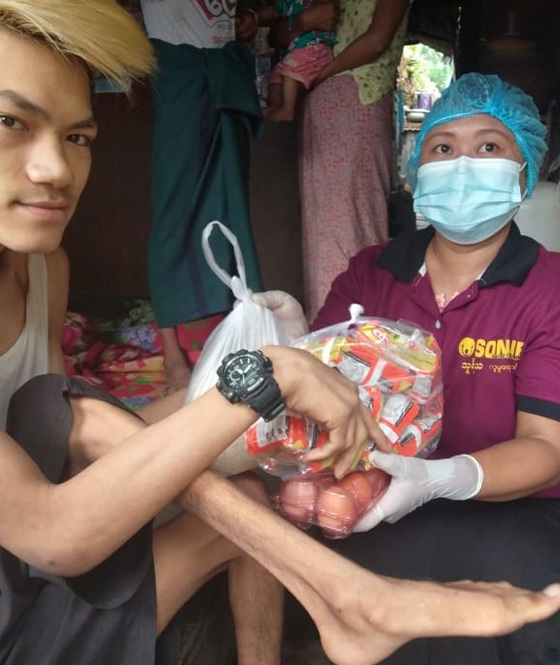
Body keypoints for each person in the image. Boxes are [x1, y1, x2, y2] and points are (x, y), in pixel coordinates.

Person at [0, 2, 560, 665]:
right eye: (11, 121)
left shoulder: (39, 266)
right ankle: (350, 597)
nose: (55, 170)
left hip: (46, 574)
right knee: (80, 405)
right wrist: (266, 377)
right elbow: (54, 529)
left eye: (77, 137)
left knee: (174, 441)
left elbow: (58, 448)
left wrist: (257, 414)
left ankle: (313, 631)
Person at [257, 73, 560, 665]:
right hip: (376, 490)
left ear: (524, 171)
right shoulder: (372, 272)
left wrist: (438, 477)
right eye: (442, 147)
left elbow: (548, 449)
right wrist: (294, 347)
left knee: (487, 634)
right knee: (365, 618)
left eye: (490, 147)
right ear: (415, 167)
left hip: (516, 510)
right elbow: (325, 397)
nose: (463, 164)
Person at [139, 0, 267, 392]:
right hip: (179, 75)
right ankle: (172, 355)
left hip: (225, 75)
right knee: (173, 212)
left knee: (231, 213)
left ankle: (240, 335)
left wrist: (250, 20)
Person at [294, 0, 413, 319]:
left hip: (357, 96)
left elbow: (377, 40)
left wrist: (319, 75)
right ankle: (329, 331)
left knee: (353, 223)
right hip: (327, 101)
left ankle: (360, 335)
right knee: (324, 231)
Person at [256, 0, 337, 123]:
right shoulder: (289, 3)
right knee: (276, 74)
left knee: (290, 70)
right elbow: (273, 12)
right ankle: (275, 106)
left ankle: (287, 109)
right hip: (297, 51)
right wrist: (253, 16)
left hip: (315, 47)